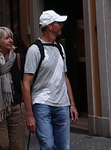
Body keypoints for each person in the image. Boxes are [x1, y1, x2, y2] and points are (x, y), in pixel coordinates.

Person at [23, 9, 78, 150]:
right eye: (58, 23)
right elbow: (26, 83)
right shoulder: (35, 50)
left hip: (62, 105)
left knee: (64, 147)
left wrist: (72, 104)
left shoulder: (60, 48)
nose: (61, 25)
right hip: (42, 104)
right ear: (50, 26)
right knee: (47, 146)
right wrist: (29, 115)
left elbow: (64, 77)